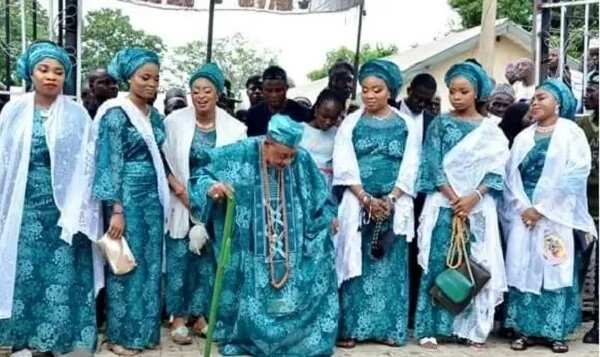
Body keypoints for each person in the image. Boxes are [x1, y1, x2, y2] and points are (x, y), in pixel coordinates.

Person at [188, 114, 339, 356]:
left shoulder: (302, 159)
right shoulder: (241, 152)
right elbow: (201, 174)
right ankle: (249, 338)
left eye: (291, 156)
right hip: (248, 248)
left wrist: (329, 216)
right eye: (281, 155)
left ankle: (296, 342)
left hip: (294, 248)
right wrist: (212, 188)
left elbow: (322, 197)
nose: (287, 162)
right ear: (267, 143)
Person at [0, 40, 102, 355]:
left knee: (61, 274)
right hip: (24, 207)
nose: (51, 77)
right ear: (30, 73)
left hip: (65, 209)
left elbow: (88, 165)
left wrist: (80, 209)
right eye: (44, 70)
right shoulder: (13, 110)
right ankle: (20, 339)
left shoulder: (77, 114)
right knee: (23, 272)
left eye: (58, 72)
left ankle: (54, 341)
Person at [414, 61, 509, 349]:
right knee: (438, 263)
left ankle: (469, 329)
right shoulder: (440, 123)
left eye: (463, 91)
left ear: (477, 92)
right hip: (445, 204)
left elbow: (496, 171)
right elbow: (431, 162)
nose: (456, 97)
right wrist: (453, 196)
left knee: (474, 265)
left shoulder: (491, 130)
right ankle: (431, 327)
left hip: (476, 209)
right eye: (452, 91)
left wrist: (473, 198)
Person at [502, 79, 596, 353]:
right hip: (524, 214)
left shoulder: (571, 134)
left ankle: (555, 332)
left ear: (559, 103)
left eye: (542, 98)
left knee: (555, 267)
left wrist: (542, 209)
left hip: (555, 215)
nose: (535, 102)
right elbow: (510, 178)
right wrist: (524, 207)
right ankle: (524, 331)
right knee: (522, 267)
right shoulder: (523, 137)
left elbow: (577, 173)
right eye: (533, 98)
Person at [334, 59, 420, 348]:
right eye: (365, 90)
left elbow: (411, 165)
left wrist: (392, 198)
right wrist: (364, 198)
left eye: (377, 90)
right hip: (359, 203)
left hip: (393, 205)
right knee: (354, 263)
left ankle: (389, 330)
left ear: (390, 91)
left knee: (389, 266)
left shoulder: (406, 124)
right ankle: (352, 330)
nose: (369, 96)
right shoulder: (351, 122)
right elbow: (343, 162)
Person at [162, 62, 247, 345]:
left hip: (216, 202)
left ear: (218, 93)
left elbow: (237, 167)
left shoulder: (235, 128)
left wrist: (216, 194)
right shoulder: (173, 123)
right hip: (181, 199)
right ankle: (177, 316)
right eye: (195, 90)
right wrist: (181, 192)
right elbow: (164, 162)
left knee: (207, 261)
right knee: (180, 257)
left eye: (207, 91)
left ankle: (199, 316)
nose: (200, 96)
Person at [93, 48, 169, 355]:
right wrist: (116, 210)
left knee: (149, 266)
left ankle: (145, 333)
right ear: (129, 78)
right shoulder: (116, 113)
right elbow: (109, 164)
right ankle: (120, 336)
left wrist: (176, 187)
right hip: (126, 198)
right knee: (124, 265)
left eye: (156, 78)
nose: (151, 84)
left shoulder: (155, 116)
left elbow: (161, 158)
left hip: (153, 198)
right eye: (144, 77)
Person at [580, 73, 599, 345]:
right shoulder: (581, 124)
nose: (588, 93)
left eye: (594, 89)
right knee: (582, 266)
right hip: (582, 206)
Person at [245, 65, 311, 136]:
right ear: (263, 89)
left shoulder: (303, 113)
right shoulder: (253, 114)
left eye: (278, 90)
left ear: (286, 88)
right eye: (269, 90)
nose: (274, 95)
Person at [298, 88, 344, 187]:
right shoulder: (298, 131)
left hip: (326, 189)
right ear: (316, 110)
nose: (328, 122)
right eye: (324, 116)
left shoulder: (338, 135)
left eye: (333, 118)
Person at [398, 73, 437, 144]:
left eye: (427, 101)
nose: (422, 104)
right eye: (418, 98)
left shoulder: (433, 122)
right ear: (409, 91)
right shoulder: (389, 112)